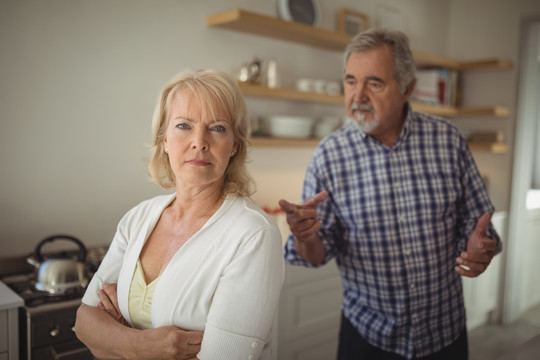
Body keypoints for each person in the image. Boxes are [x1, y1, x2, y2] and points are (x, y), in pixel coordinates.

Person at [279, 29, 502, 360]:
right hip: (367, 337)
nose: (358, 96)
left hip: (445, 332)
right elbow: (314, 254)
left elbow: (481, 228)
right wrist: (305, 236)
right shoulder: (330, 155)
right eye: (351, 81)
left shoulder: (448, 141)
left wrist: (481, 248)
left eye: (375, 83)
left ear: (407, 89)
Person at [75, 69, 284, 360]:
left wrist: (114, 338)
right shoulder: (138, 218)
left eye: (218, 128)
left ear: (234, 145)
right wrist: (140, 346)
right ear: (164, 139)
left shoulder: (253, 234)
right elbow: (84, 323)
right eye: (184, 126)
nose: (199, 141)